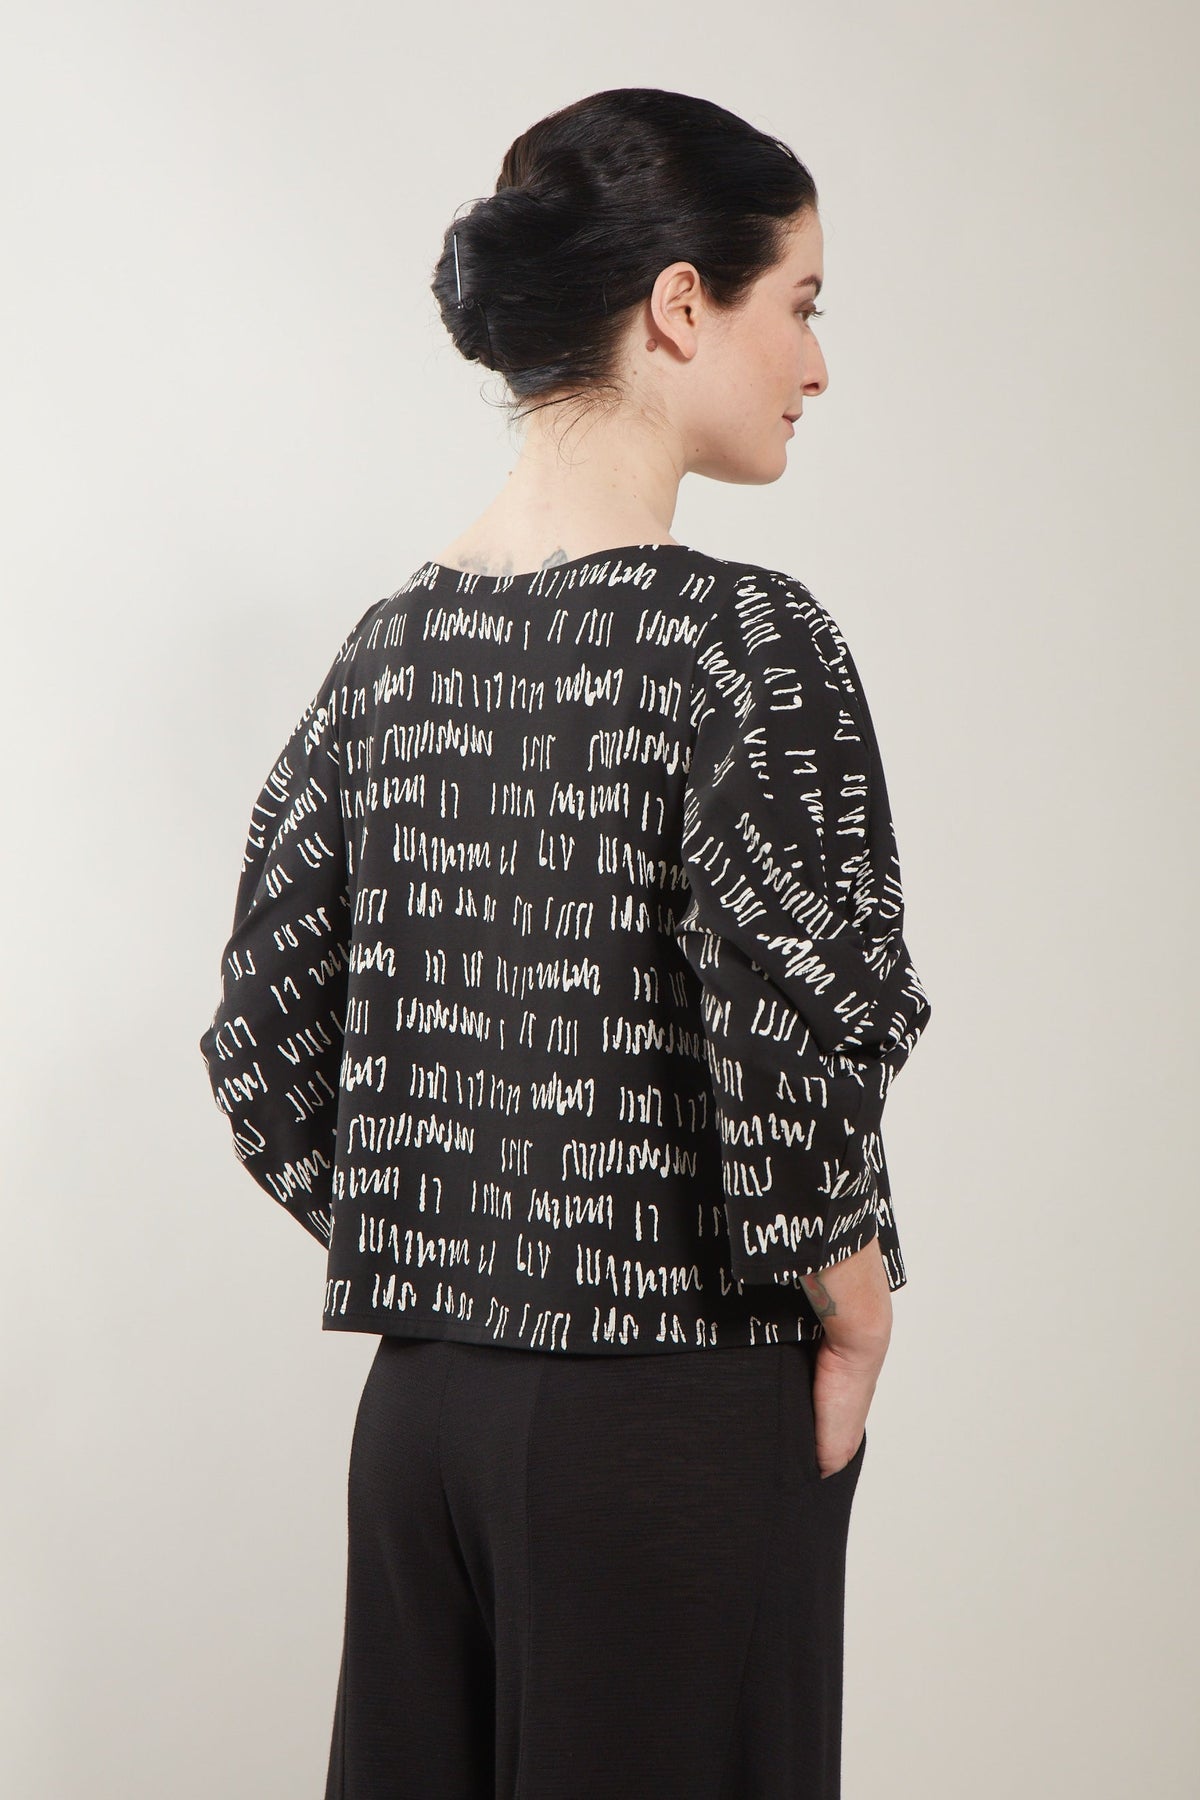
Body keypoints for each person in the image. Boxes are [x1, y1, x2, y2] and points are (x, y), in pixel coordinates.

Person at [199, 85, 933, 1800]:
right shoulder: (741, 641)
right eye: (800, 303)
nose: (817, 364)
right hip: (669, 1415)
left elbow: (262, 1041)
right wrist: (854, 1311)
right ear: (681, 305)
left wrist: (454, 1243)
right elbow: (797, 1028)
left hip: (420, 1430)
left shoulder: (392, 652)